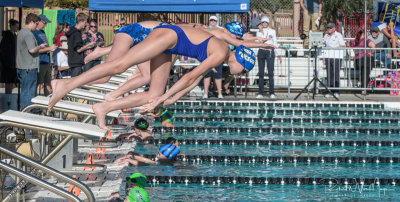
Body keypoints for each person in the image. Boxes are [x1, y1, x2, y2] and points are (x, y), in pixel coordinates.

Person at [48, 24, 258, 129]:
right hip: (168, 36)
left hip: (170, 46)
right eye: (245, 71)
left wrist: (165, 100)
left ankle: (103, 107)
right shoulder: (221, 52)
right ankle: (65, 84)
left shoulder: (220, 55)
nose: (243, 75)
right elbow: (189, 77)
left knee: (154, 92)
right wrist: (164, 99)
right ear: (241, 61)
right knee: (118, 66)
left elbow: (192, 81)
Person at [16, 13, 47, 110]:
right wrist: (40, 47)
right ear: (31, 22)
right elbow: (32, 50)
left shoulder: (21, 32)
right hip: (28, 67)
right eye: (36, 24)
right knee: (28, 92)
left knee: (25, 91)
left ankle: (25, 112)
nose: (37, 26)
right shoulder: (28, 34)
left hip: (22, 67)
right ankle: (26, 114)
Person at [256, 16, 282, 99]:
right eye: (263, 22)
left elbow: (275, 42)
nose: (264, 24)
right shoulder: (258, 31)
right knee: (261, 73)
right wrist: (260, 32)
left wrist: (278, 54)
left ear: (268, 23)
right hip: (261, 51)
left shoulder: (272, 31)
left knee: (271, 73)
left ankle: (272, 93)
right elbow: (259, 41)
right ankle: (260, 92)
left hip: (270, 52)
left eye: (266, 22)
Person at [33, 15, 57, 96]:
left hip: (46, 61)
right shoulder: (34, 33)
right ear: (38, 21)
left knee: (48, 83)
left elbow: (46, 47)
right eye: (44, 22)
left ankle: (47, 104)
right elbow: (37, 50)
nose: (45, 25)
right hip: (40, 61)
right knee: (38, 84)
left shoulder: (43, 32)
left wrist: (50, 50)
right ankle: (35, 104)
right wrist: (49, 48)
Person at [66, 13, 95, 77]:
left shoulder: (72, 31)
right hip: (76, 62)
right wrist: (88, 45)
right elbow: (78, 50)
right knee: (74, 83)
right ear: (80, 21)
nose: (85, 24)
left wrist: (88, 46)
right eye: (85, 22)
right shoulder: (76, 33)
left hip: (72, 60)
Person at [114, 139, 182, 166]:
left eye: (159, 154)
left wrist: (131, 159)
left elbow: (147, 164)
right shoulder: (165, 161)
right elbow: (149, 161)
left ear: (168, 157)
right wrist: (132, 156)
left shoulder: (169, 166)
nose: (157, 154)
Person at [203, 16, 224, 99]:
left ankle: (220, 93)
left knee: (218, 75)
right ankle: (205, 93)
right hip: (208, 54)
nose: (212, 22)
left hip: (217, 55)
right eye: (211, 20)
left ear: (216, 22)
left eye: (214, 21)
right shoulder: (206, 30)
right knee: (207, 75)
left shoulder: (220, 30)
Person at [323, 22, 346, 98]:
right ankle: (330, 91)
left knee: (336, 74)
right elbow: (324, 46)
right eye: (328, 28)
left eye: (330, 28)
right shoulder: (326, 36)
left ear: (334, 28)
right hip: (328, 56)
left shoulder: (338, 35)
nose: (328, 29)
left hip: (336, 57)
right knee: (329, 74)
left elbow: (343, 46)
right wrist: (323, 57)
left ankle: (336, 91)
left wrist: (334, 48)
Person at [0, 19, 19, 95]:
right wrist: (8, 62)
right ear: (11, 26)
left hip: (13, 62)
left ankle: (9, 96)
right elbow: (4, 51)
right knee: (8, 81)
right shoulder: (7, 36)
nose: (17, 29)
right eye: (16, 27)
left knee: (11, 81)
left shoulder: (14, 35)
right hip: (8, 64)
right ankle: (8, 97)